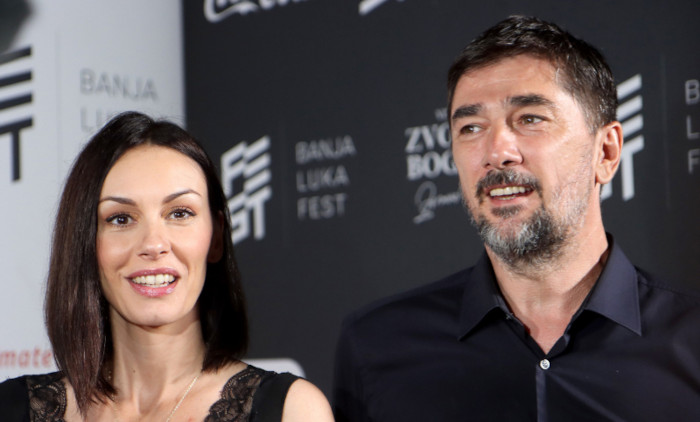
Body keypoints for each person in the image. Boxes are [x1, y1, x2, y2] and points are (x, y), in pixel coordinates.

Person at [333, 15, 700, 421]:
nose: (496, 152)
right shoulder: (377, 346)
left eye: (530, 119)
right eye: (471, 127)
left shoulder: (690, 339)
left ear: (606, 152)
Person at [0, 112, 334, 421]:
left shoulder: (292, 411)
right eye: (121, 218)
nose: (153, 244)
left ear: (216, 237)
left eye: (179, 213)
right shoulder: (11, 408)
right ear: (84, 242)